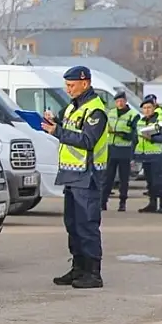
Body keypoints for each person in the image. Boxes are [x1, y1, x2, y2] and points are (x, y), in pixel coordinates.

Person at [40, 65, 108, 289]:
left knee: (87, 224)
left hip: (87, 176)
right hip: (72, 174)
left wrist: (57, 132)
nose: (67, 89)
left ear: (85, 83)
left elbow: (88, 141)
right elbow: (69, 130)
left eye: (71, 85)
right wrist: (54, 124)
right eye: (66, 85)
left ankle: (93, 273)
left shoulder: (95, 110)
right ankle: (78, 268)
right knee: (72, 224)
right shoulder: (73, 107)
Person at [132, 99, 162, 214]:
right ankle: (152, 203)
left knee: (158, 181)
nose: (147, 110)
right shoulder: (140, 122)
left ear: (154, 108)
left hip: (157, 156)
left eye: (149, 107)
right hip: (145, 156)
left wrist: (153, 139)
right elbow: (136, 140)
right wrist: (134, 155)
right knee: (149, 182)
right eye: (144, 108)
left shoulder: (160, 122)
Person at [101, 91, 136, 212]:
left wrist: (118, 134)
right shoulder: (110, 113)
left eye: (121, 101)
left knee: (123, 179)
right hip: (111, 149)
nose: (119, 103)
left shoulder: (133, 115)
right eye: (117, 101)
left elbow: (134, 135)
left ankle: (122, 202)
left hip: (124, 150)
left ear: (126, 101)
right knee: (107, 178)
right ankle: (103, 201)